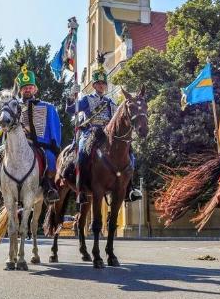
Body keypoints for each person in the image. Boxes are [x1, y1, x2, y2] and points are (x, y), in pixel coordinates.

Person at [65, 53, 142, 205]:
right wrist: (71, 97)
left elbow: (117, 121)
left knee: (130, 154)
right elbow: (71, 110)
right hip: (90, 132)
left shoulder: (111, 103)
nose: (101, 86)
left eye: (103, 84)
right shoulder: (87, 99)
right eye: (98, 83)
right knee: (82, 154)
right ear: (94, 85)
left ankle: (129, 188)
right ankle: (81, 189)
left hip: (108, 135)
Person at [14, 64, 62, 202]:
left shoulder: (47, 107)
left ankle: (49, 187)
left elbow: (54, 127)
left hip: (39, 145)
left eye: (30, 87)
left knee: (50, 159)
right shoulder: (13, 107)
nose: (27, 89)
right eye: (24, 87)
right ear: (20, 90)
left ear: (35, 89)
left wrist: (54, 144)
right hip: (16, 145)